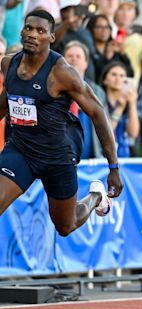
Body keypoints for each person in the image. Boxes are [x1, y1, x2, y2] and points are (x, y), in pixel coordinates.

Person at [0, 10, 123, 237]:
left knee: (65, 226)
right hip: (21, 151)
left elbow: (98, 113)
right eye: (29, 28)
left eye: (40, 31)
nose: (33, 35)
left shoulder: (63, 73)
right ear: (21, 31)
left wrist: (113, 167)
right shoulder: (9, 64)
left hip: (56, 156)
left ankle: (96, 196)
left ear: (52, 38)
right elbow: (5, 103)